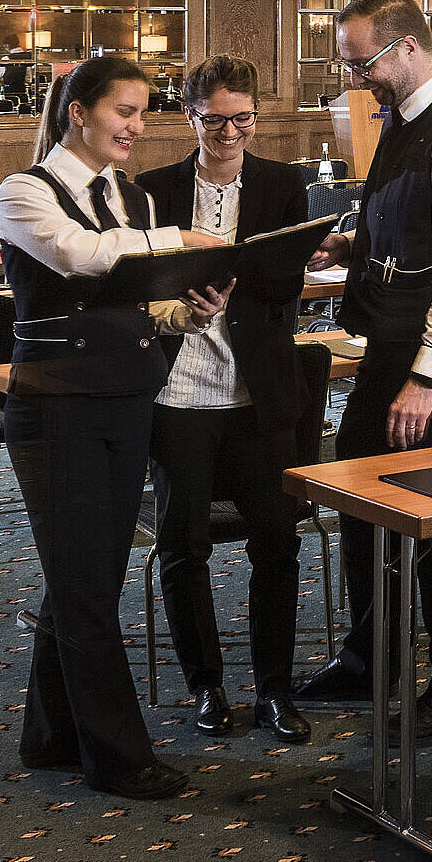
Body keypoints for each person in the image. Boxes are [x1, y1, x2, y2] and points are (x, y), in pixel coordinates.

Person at [0, 54, 229, 799]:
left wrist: (185, 311)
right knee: (88, 584)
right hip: (55, 404)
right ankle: (118, 758)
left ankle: (50, 735)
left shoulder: (132, 199)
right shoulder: (24, 192)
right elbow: (80, 257)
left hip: (129, 397)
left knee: (84, 577)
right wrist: (179, 243)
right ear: (79, 112)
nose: (136, 126)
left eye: (141, 112)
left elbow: (139, 304)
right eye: (123, 111)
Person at [296, 0, 432, 728]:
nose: (356, 79)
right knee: (361, 495)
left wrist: (425, 376)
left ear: (408, 49)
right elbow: (414, 226)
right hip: (393, 342)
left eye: (363, 64)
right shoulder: (405, 117)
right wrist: (352, 244)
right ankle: (372, 658)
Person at [135, 57, 315, 746]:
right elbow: (137, 288)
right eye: (215, 120)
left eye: (243, 119)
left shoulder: (282, 184)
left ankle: (274, 689)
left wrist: (234, 284)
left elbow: (287, 284)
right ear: (189, 117)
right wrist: (180, 302)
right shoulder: (150, 192)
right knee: (185, 547)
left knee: (277, 543)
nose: (230, 132)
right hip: (178, 392)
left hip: (258, 392)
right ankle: (205, 686)